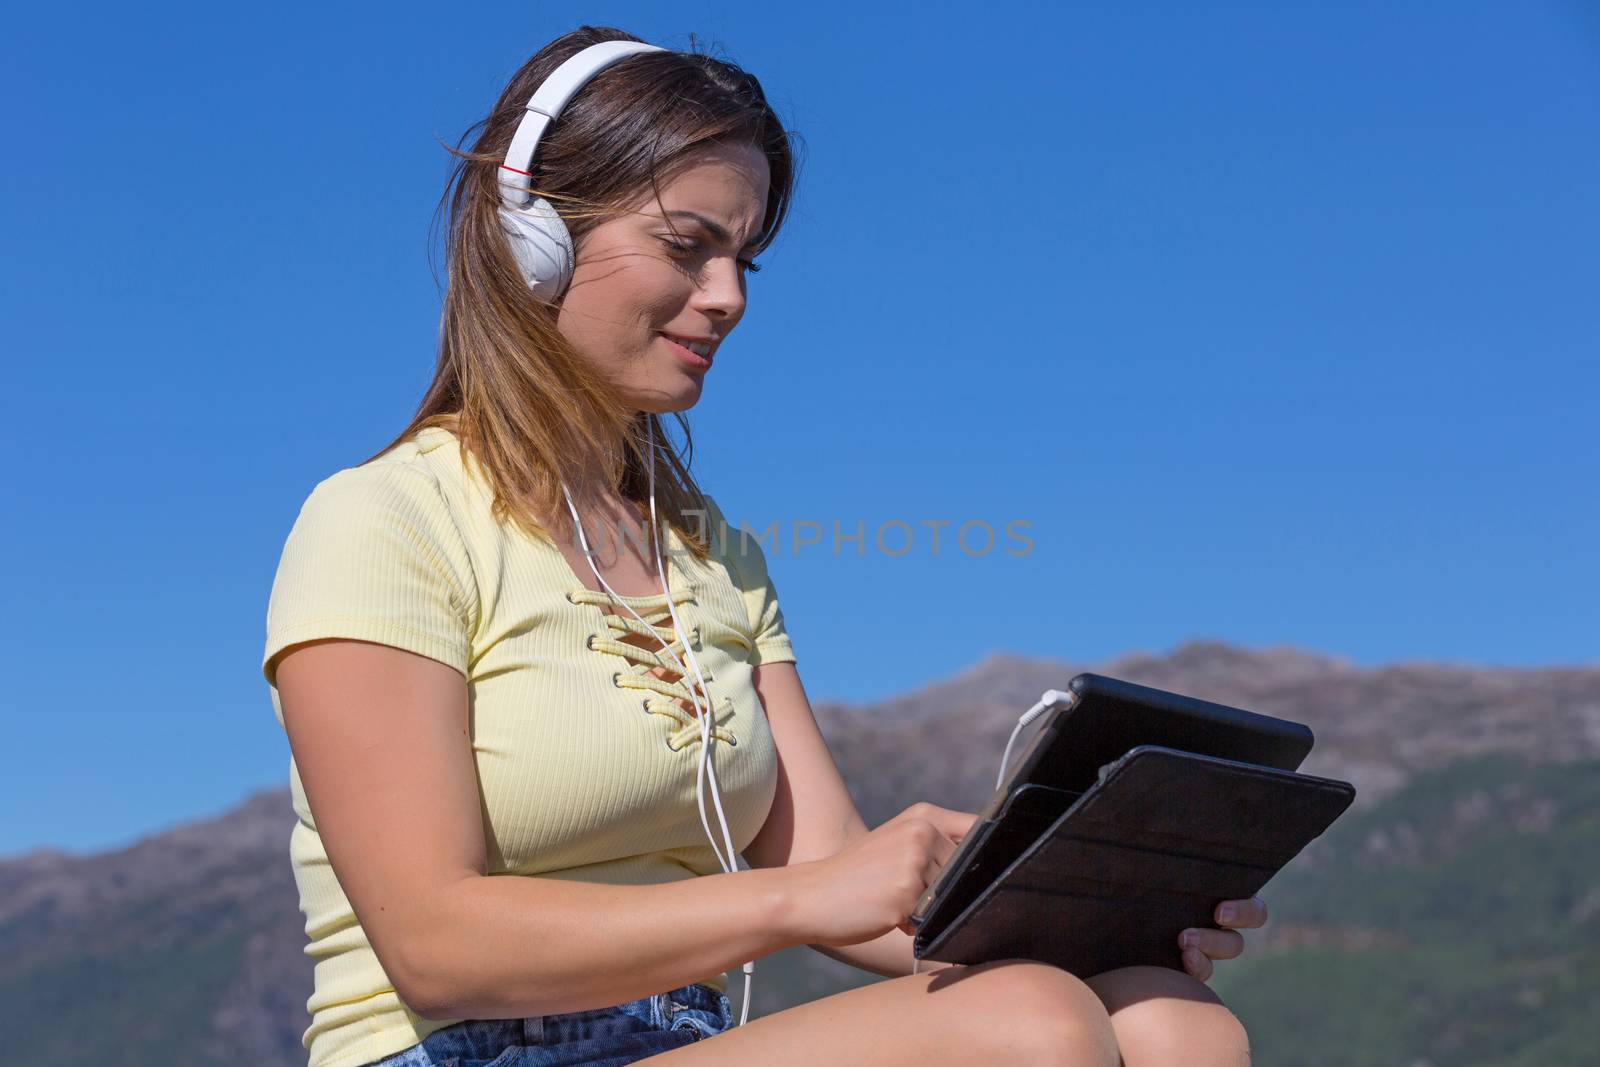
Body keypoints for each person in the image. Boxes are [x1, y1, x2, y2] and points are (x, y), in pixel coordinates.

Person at [261, 25, 1265, 1067]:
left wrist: (1095, 912)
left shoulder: (715, 557)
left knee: (1163, 1014)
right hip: (451, 1051)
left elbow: (838, 871)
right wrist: (795, 898)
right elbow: (434, 946)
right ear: (534, 239)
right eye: (687, 244)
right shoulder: (385, 519)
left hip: (680, 1042)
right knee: (1028, 1024)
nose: (728, 296)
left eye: (743, 258)